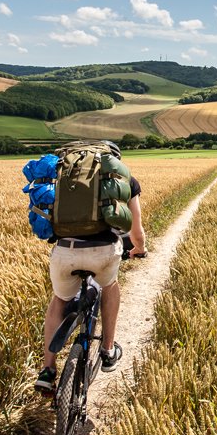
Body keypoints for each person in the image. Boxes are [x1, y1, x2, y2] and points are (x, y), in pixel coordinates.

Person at [34, 144, 146, 395]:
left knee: (60, 299)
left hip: (65, 251)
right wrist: (139, 248)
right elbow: (136, 231)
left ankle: (48, 369)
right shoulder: (124, 179)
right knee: (109, 286)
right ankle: (107, 350)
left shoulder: (63, 176)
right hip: (103, 251)